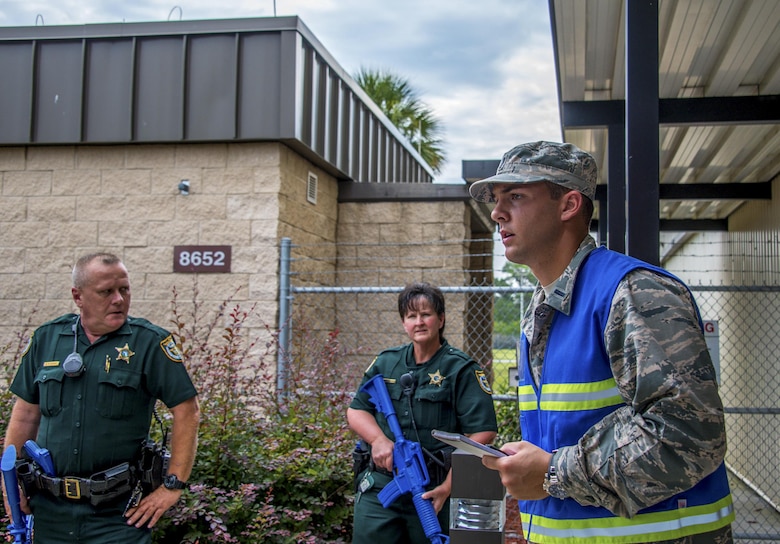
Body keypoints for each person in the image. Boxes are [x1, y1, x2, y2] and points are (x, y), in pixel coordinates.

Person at [472, 141, 735, 544]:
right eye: (496, 199)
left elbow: (690, 432)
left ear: (568, 205)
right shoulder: (543, 312)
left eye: (516, 196)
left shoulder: (632, 292)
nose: (496, 212)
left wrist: (553, 473)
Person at [2, 252, 200, 543]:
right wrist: (10, 487)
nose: (118, 299)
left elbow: (188, 411)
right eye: (106, 292)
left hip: (118, 515)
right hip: (48, 511)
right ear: (78, 296)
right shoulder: (48, 339)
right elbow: (26, 415)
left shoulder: (149, 343)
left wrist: (172, 485)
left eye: (124, 289)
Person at [347, 282, 498, 543]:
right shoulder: (386, 362)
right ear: (404, 323)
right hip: (382, 485)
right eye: (411, 316)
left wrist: (448, 487)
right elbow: (357, 411)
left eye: (426, 314)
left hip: (434, 489)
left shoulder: (460, 369)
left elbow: (483, 432)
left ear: (440, 319)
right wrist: (379, 440)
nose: (419, 322)